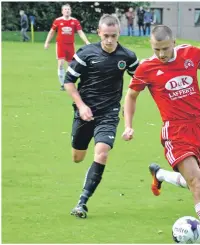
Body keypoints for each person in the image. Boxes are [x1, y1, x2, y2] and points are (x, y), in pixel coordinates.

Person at [122, 25, 200, 244]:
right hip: (175, 131)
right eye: (156, 49)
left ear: (174, 42)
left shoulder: (190, 53)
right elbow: (131, 95)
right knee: (197, 184)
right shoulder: (147, 68)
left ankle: (160, 175)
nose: (161, 54)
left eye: (164, 48)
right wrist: (128, 125)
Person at [63, 14, 139, 219]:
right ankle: (79, 143)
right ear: (99, 33)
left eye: (113, 36)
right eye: (106, 35)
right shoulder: (86, 53)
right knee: (78, 157)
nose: (109, 40)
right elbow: (68, 81)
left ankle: (82, 203)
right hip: (85, 113)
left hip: (109, 113)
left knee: (102, 152)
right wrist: (81, 106)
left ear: (119, 34)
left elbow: (141, 79)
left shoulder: (127, 57)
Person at [44, 4, 90, 91]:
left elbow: (80, 32)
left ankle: (69, 82)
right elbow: (51, 32)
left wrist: (86, 41)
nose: (67, 11)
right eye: (65, 9)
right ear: (62, 11)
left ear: (70, 11)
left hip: (70, 45)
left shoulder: (75, 21)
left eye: (68, 9)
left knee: (71, 65)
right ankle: (62, 84)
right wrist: (47, 42)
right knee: (61, 63)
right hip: (61, 45)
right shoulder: (58, 21)